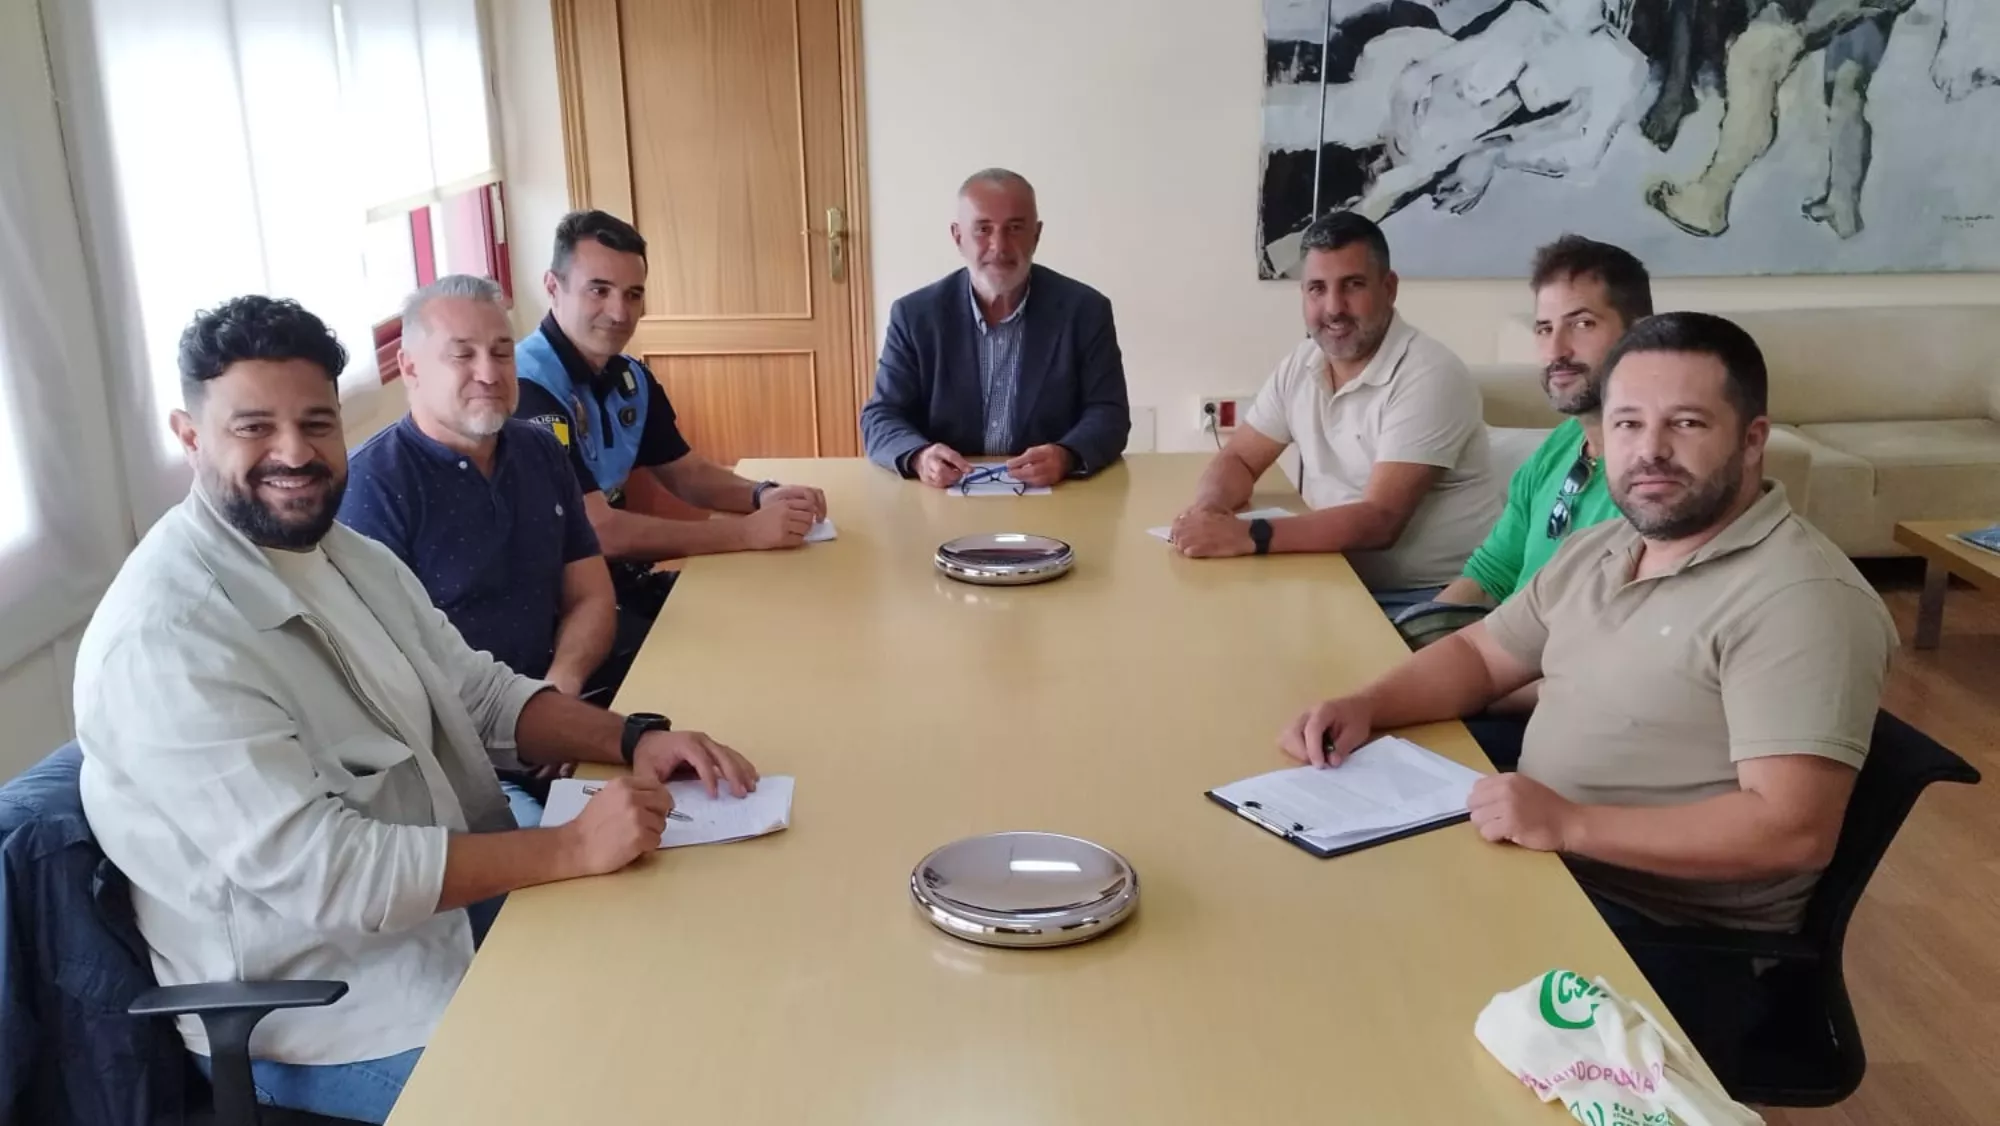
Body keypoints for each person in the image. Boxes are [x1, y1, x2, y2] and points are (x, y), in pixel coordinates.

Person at [75, 296, 761, 1123]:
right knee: (611, 1091)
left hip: (449, 917)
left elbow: (475, 689)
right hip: (334, 1011)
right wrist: (571, 846)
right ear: (190, 436)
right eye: (252, 427)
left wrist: (632, 737)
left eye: (316, 423)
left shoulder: (339, 554)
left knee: (698, 978)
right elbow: (334, 875)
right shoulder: (168, 642)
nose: (294, 453)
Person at [1278, 311, 1895, 1069]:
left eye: (1688, 423)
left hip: (1655, 935)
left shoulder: (1800, 598)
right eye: (1629, 423)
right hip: (1536, 869)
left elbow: (1791, 829)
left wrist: (1570, 824)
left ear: (1753, 439)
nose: (1651, 451)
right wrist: (1369, 704)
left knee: (1382, 1036)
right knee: (1307, 937)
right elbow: (1479, 654)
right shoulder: (1607, 547)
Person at [341, 275, 629, 828]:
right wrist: (534, 726)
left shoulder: (540, 449)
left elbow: (592, 594)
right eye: (462, 355)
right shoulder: (373, 486)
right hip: (461, 756)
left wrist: (559, 693)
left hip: (563, 706)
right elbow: (391, 686)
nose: (489, 373)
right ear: (410, 368)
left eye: (501, 351)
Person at [1170, 211, 1500, 608]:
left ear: (1389, 288)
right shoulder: (1302, 362)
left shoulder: (1429, 374)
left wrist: (1245, 536)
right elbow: (1240, 457)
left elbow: (1380, 520)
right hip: (1330, 575)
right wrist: (1211, 510)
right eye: (1316, 289)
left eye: (1353, 285)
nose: (1333, 307)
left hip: (1427, 596)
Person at [513, 210, 827, 614]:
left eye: (633, 294)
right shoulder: (527, 389)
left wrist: (761, 494)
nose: (620, 313)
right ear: (553, 287)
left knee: (778, 604)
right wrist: (744, 533)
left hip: (618, 583)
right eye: (599, 290)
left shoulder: (629, 376)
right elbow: (600, 530)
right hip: (557, 608)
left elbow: (687, 474)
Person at [860, 168, 1131, 488]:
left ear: (1037, 234)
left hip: (1054, 496)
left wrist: (1067, 454)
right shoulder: (915, 315)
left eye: (1015, 228)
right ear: (957, 236)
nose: (999, 246)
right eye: (983, 229)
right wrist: (919, 456)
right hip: (945, 497)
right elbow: (882, 416)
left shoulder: (1085, 310)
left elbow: (1109, 413)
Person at [1433, 236, 1652, 610]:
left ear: (1640, 333)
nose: (1556, 352)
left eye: (1582, 324)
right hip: (1500, 651)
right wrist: (1410, 636)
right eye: (1544, 329)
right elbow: (1490, 576)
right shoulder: (1562, 445)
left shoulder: (1655, 477)